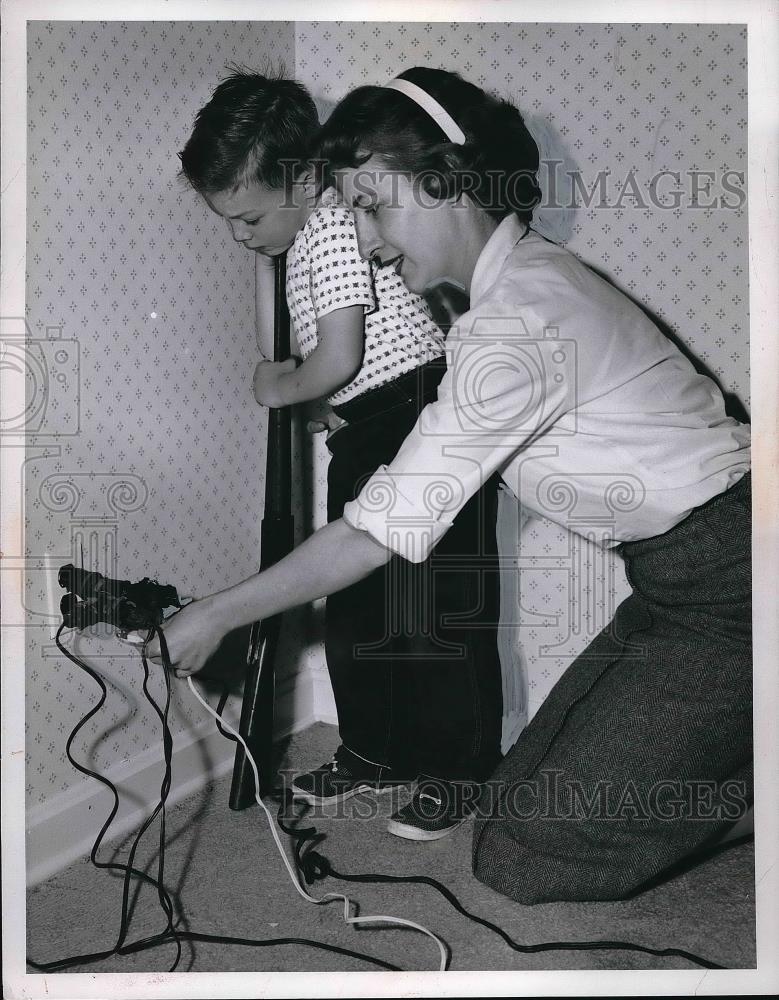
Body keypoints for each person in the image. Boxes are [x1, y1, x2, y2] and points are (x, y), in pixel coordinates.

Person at [153, 67, 752, 903]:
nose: (361, 239)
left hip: (736, 584)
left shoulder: (516, 319)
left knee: (522, 856)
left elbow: (372, 532)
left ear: (444, 182)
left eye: (371, 205)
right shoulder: (507, 294)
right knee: (508, 801)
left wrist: (217, 612)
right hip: (675, 587)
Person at [177, 69, 504, 841]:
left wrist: (279, 388)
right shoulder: (308, 229)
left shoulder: (328, 226)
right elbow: (288, 321)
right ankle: (375, 751)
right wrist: (264, 256)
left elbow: (337, 357)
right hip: (373, 423)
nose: (240, 234)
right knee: (361, 606)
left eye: (249, 216)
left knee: (434, 607)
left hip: (416, 416)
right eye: (228, 222)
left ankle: (454, 769)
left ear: (302, 181)